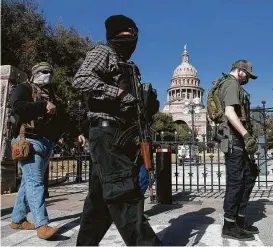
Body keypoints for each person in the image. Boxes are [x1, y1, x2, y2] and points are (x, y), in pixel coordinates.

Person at [72, 15, 161, 246]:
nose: (131, 38)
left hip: (120, 135)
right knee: (124, 195)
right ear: (114, 35)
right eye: (126, 33)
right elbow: (81, 79)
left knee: (99, 202)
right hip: (106, 131)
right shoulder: (104, 52)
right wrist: (117, 93)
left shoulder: (128, 66)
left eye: (133, 34)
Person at [10, 62, 69, 239]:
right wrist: (43, 106)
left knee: (28, 183)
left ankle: (18, 219)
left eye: (51, 72)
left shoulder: (51, 94)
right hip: (27, 140)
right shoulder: (24, 88)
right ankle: (42, 225)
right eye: (44, 72)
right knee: (36, 183)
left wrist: (63, 134)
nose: (48, 75)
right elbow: (17, 106)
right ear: (35, 73)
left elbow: (59, 119)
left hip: (45, 142)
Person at [216, 60, 259, 241]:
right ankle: (229, 225)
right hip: (234, 139)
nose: (248, 78)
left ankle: (239, 219)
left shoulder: (233, 85)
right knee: (236, 181)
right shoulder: (231, 84)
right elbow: (229, 112)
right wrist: (246, 134)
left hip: (237, 138)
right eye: (247, 75)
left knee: (248, 176)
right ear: (240, 71)